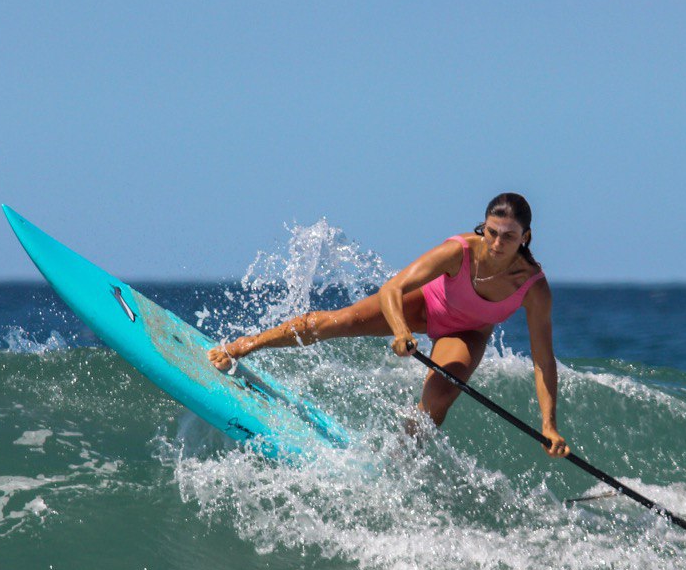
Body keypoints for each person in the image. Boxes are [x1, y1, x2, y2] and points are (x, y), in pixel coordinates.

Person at [208, 193, 570, 457]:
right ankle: (245, 345)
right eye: (492, 232)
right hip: (426, 306)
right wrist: (400, 330)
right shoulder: (458, 251)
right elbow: (392, 289)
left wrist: (548, 424)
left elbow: (543, 360)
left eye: (509, 236)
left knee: (439, 399)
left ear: (525, 237)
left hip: (468, 332)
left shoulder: (533, 288)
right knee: (342, 320)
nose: (497, 242)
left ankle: (398, 458)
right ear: (484, 226)